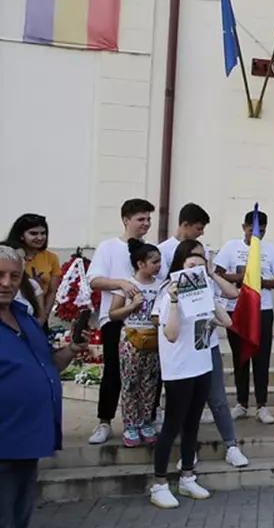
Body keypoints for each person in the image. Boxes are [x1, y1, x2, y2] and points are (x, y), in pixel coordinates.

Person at [0, 245, 88, 528]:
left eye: (14, 277)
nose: (7, 283)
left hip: (27, 440)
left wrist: (72, 349)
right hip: (3, 441)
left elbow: (49, 364)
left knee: (19, 516)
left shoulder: (25, 318)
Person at [149, 245, 235, 508]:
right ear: (179, 270)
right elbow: (172, 334)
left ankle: (187, 476)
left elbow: (227, 322)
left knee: (192, 424)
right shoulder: (167, 297)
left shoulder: (204, 295)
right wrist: (175, 300)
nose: (195, 272)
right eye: (189, 268)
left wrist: (210, 292)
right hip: (179, 370)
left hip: (201, 367)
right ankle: (159, 482)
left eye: (199, 268)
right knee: (172, 425)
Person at [166, 240, 248, 470]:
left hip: (207, 346)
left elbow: (233, 294)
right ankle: (188, 451)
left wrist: (211, 273)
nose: (197, 265)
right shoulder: (170, 287)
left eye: (202, 259)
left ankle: (231, 446)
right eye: (192, 260)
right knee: (187, 404)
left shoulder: (208, 283)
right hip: (184, 352)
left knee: (218, 399)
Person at [86, 197, 154, 445]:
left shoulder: (148, 249)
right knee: (114, 371)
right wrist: (122, 283)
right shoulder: (109, 247)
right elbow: (93, 280)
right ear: (126, 220)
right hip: (115, 319)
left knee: (147, 374)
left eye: (148, 219)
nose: (146, 224)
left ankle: (144, 420)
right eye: (140, 219)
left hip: (144, 322)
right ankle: (104, 421)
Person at [213, 209, 274, 425]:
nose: (256, 235)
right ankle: (241, 403)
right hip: (236, 308)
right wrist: (241, 278)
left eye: (261, 231)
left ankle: (262, 405)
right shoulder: (231, 247)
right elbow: (216, 273)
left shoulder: (270, 250)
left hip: (262, 309)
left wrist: (259, 282)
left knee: (261, 357)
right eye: (253, 230)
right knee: (240, 357)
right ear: (244, 227)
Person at [107, 240, 164, 448]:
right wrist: (133, 306)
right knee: (130, 384)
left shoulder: (161, 286)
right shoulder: (127, 285)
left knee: (150, 383)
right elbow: (113, 314)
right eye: (154, 262)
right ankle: (130, 425)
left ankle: (145, 421)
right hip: (131, 338)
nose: (159, 266)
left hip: (154, 339)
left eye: (159, 261)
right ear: (141, 264)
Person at [5, 213, 61, 321]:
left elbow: (52, 291)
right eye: (33, 233)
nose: (40, 238)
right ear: (21, 235)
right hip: (10, 312)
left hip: (38, 313)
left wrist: (43, 317)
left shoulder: (51, 258)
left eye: (43, 233)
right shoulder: (7, 254)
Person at [156, 203, 210, 282]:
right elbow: (161, 277)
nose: (202, 233)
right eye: (199, 229)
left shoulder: (203, 248)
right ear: (185, 225)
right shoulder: (163, 250)